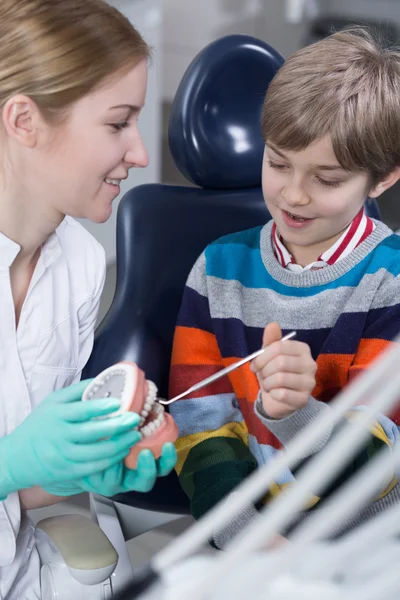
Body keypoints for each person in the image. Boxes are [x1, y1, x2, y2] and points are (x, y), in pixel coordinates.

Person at [168, 27, 400, 550]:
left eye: (328, 178)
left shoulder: (391, 282)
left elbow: (380, 470)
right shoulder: (218, 269)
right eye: (277, 163)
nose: (294, 194)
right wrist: (248, 540)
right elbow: (202, 430)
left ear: (382, 179)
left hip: (364, 548)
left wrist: (295, 410)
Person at [0, 0, 176, 597]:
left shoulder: (78, 265)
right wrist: (7, 462)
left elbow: (26, 488)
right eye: (117, 123)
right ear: (24, 121)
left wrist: (82, 467)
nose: (141, 153)